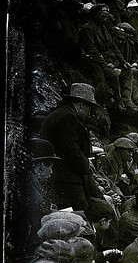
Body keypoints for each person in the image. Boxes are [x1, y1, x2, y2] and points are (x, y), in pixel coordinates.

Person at [39, 83, 105, 211]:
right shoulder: (68, 117)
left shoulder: (62, 113)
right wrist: (86, 163)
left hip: (60, 172)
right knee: (81, 211)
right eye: (89, 108)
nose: (89, 113)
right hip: (66, 176)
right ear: (82, 105)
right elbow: (70, 149)